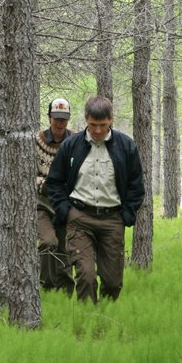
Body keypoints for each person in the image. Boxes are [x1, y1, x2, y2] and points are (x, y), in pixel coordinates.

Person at [46, 96, 144, 303]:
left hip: (112, 220)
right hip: (80, 219)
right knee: (86, 276)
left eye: (102, 125)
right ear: (85, 120)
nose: (97, 131)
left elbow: (136, 186)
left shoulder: (126, 146)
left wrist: (126, 215)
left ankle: (105, 321)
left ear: (111, 120)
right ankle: (86, 324)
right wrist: (66, 210)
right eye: (92, 125)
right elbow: (54, 183)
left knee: (112, 282)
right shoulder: (71, 145)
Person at [35, 97, 76, 294]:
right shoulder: (37, 141)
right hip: (42, 204)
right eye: (56, 118)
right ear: (49, 117)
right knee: (48, 242)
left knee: (66, 247)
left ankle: (66, 291)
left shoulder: (77, 141)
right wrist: (48, 184)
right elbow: (28, 173)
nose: (60, 123)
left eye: (64, 119)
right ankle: (47, 287)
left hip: (67, 204)